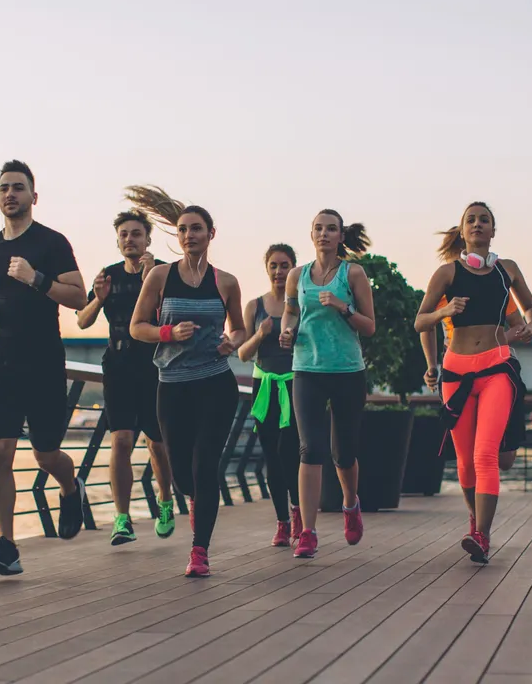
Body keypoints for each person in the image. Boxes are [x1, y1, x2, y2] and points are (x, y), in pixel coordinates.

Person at [0, 160, 91, 576]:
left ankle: (70, 486)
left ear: (33, 197)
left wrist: (35, 278)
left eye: (19, 188)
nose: (10, 194)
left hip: (43, 360)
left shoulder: (52, 243)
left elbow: (79, 297)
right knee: (0, 450)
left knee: (45, 454)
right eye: (4, 187)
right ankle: (7, 546)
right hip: (1, 359)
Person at [128, 185, 246, 578]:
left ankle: (200, 552)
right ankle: (196, 502)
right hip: (173, 385)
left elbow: (241, 330)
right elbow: (136, 327)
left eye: (196, 229)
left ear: (211, 234)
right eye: (182, 230)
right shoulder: (160, 276)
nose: (188, 235)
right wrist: (167, 334)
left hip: (215, 384)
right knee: (180, 473)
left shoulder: (225, 282)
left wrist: (232, 342)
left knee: (204, 464)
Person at [415, 201, 532, 564]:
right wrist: (444, 311)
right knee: (465, 461)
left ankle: (482, 536)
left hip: (497, 367)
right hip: (456, 374)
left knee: (486, 454)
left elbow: (531, 309)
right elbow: (420, 322)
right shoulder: (447, 274)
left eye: (484, 220)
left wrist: (530, 326)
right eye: (471, 220)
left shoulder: (507, 270)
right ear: (463, 230)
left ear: (493, 231)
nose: (478, 224)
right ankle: (475, 522)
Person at [75, 208, 176, 545]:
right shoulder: (109, 275)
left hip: (155, 366)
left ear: (147, 239)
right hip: (117, 365)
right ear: (118, 242)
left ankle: (164, 500)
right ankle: (122, 518)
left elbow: (170, 315)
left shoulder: (162, 272)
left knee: (157, 444)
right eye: (124, 235)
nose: (129, 239)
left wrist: (152, 279)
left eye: (136, 234)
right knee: (120, 440)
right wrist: (99, 299)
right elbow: (83, 321)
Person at [279, 210, 376, 559]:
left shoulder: (354, 273)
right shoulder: (297, 276)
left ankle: (351, 504)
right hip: (307, 368)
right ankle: (307, 531)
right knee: (310, 449)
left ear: (340, 236)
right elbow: (291, 311)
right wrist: (286, 330)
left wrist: (342, 306)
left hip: (347, 370)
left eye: (330, 229)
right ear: (311, 234)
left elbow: (369, 326)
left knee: (343, 452)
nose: (324, 234)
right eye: (318, 228)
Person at [237, 244, 303, 547]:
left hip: (293, 386)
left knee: (290, 453)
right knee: (272, 457)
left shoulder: (301, 305)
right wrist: (261, 334)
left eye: (285, 265)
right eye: (274, 266)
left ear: (294, 269)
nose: (279, 272)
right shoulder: (254, 306)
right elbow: (243, 354)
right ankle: (282, 521)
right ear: (267, 269)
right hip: (264, 389)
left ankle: (298, 512)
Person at [420, 295, 526, 471]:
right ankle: (477, 496)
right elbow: (425, 324)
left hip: (494, 368)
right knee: (468, 457)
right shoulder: (443, 282)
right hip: (455, 371)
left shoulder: (497, 282)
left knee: (505, 459)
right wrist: (431, 365)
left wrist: (490, 344)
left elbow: (518, 325)